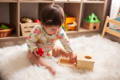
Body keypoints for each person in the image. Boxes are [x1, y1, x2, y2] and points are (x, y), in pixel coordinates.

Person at [26, 4, 77, 75]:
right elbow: (30, 41)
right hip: (38, 51)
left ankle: (70, 56)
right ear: (43, 24)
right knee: (30, 56)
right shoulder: (38, 30)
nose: (56, 31)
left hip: (50, 50)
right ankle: (47, 66)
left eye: (58, 27)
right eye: (53, 29)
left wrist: (70, 52)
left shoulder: (59, 30)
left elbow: (65, 41)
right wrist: (34, 49)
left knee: (59, 50)